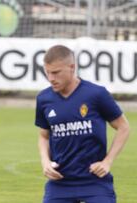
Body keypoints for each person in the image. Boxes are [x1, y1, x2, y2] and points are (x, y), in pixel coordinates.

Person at [35, 45, 130, 203]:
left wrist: (108, 161)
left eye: (56, 72)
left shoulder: (96, 94)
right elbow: (43, 136)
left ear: (72, 67)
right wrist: (45, 161)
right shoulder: (44, 99)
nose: (51, 78)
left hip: (95, 181)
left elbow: (123, 127)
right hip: (60, 182)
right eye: (47, 72)